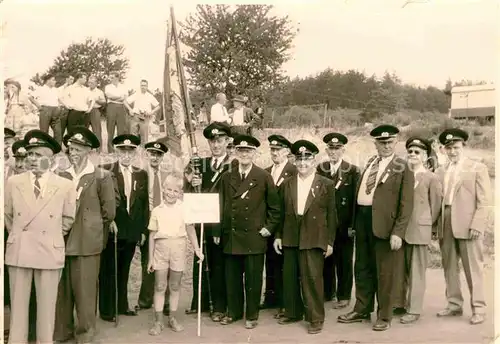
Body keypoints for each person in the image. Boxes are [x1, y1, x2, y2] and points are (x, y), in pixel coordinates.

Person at [337, 124, 414, 331]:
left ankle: (384, 315)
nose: (386, 146)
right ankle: (362, 308)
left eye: (389, 142)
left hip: (385, 226)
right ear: (376, 144)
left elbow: (406, 204)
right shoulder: (371, 162)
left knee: (385, 272)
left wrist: (398, 232)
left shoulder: (403, 166)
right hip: (362, 220)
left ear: (395, 143)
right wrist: (354, 223)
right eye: (381, 142)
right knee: (362, 267)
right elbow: (359, 195)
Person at [5, 130, 76, 344]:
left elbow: (67, 219)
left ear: (51, 158)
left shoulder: (65, 185)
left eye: (38, 155)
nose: (32, 160)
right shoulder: (14, 182)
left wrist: (50, 233)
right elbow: (8, 216)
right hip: (20, 251)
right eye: (30, 155)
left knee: (47, 311)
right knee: (18, 312)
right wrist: (21, 235)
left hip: (48, 251)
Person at [53, 127, 117, 343]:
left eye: (79, 149)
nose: (74, 153)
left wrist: (92, 229)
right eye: (71, 148)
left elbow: (109, 212)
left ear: (89, 150)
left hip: (86, 242)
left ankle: (85, 333)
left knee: (85, 291)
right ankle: (62, 331)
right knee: (63, 291)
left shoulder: (102, 176)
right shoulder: (61, 175)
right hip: (61, 240)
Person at [214, 134, 281, 329]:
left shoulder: (263, 176)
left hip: (254, 236)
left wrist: (268, 228)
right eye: (241, 150)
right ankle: (233, 312)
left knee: (252, 279)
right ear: (235, 152)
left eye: (248, 151)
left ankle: (252, 315)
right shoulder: (227, 176)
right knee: (232, 278)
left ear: (254, 154)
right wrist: (218, 230)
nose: (244, 154)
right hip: (232, 236)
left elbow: (275, 208)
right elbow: (220, 205)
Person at [273, 140, 337, 334]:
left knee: (312, 277)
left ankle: (315, 318)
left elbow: (332, 215)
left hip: (314, 236)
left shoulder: (326, 184)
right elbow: (282, 212)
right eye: (299, 159)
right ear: (294, 161)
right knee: (290, 276)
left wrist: (329, 241)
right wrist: (278, 236)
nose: (302, 163)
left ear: (314, 160)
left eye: (307, 159)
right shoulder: (287, 184)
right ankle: (293, 312)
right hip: (291, 234)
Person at [435, 128, 491, 325]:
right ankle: (454, 304)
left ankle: (479, 308)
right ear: (444, 150)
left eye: (456, 147)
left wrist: (478, 224)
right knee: (449, 266)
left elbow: (484, 201)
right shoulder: (441, 170)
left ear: (463, 146)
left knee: (472, 268)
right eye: (448, 148)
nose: (452, 152)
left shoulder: (477, 168)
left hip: (468, 223)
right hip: (446, 220)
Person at [185, 122, 233, 321]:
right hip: (201, 220)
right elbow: (188, 193)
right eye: (212, 141)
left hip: (221, 222)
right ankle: (201, 302)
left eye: (220, 141)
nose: (216, 145)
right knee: (201, 259)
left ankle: (219, 305)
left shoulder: (234, 165)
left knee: (220, 264)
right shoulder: (200, 164)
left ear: (227, 142)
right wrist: (190, 183)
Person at [99, 134, 149, 321]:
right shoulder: (104, 171)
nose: (126, 155)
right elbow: (102, 200)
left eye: (130, 151)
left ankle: (122, 306)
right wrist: (108, 220)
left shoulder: (141, 174)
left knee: (124, 269)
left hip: (131, 230)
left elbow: (143, 205)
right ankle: (107, 310)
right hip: (113, 228)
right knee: (109, 269)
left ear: (135, 153)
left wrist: (142, 230)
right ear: (116, 151)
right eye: (122, 151)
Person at [392, 137, 442, 324]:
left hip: (419, 230)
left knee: (416, 271)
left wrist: (430, 226)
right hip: (401, 230)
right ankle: (399, 303)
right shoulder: (402, 175)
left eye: (417, 152)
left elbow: (435, 206)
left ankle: (414, 309)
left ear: (425, 156)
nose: (413, 155)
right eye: (410, 152)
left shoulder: (431, 178)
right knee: (399, 269)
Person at [147, 173, 204, 335]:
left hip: (178, 248)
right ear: (163, 190)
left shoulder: (184, 209)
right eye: (168, 189)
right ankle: (158, 321)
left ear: (180, 193)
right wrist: (150, 259)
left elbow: (190, 229)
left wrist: (197, 249)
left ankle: (172, 317)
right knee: (159, 286)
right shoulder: (157, 210)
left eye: (176, 191)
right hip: (161, 249)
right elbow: (152, 235)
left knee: (174, 285)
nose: (171, 193)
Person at [316, 133, 360, 308]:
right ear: (326, 150)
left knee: (344, 261)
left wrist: (353, 225)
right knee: (326, 259)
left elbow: (355, 201)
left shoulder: (352, 170)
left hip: (344, 223)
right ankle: (328, 292)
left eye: (337, 149)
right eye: (331, 149)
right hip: (326, 223)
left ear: (343, 150)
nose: (333, 152)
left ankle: (344, 295)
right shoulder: (321, 168)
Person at [261, 134, 297, 318]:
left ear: (287, 152)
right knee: (270, 262)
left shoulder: (294, 171)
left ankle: (285, 303)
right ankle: (271, 298)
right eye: (272, 150)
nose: (274, 153)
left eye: (278, 150)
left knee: (284, 265)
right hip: (269, 224)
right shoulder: (266, 171)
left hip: (286, 224)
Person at [137, 141, 170, 314]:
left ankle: (166, 301)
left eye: (158, 155)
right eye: (152, 154)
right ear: (147, 155)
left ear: (162, 157)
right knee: (147, 260)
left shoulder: (167, 175)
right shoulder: (141, 174)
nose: (155, 157)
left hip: (164, 220)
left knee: (166, 259)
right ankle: (145, 300)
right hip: (147, 220)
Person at [125, 79, 160, 144]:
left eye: (144, 85)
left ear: (147, 86)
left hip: (145, 117)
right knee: (133, 134)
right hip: (135, 116)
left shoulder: (150, 96)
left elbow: (158, 106)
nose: (143, 87)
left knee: (144, 135)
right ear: (140, 86)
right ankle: (134, 151)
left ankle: (143, 151)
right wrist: (130, 110)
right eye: (142, 85)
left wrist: (151, 112)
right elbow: (125, 102)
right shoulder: (136, 94)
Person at [29, 74, 62, 144]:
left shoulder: (55, 90)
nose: (55, 81)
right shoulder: (41, 89)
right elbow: (31, 97)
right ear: (48, 81)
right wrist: (39, 106)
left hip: (55, 111)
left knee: (58, 131)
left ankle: (58, 148)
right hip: (45, 110)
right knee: (44, 131)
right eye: (53, 80)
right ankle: (44, 147)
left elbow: (59, 99)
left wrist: (60, 106)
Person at [104, 73, 129, 152]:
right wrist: (119, 97)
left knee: (121, 129)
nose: (112, 79)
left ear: (118, 78)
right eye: (111, 78)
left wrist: (116, 98)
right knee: (110, 128)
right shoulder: (108, 87)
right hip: (111, 107)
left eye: (114, 77)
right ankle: (110, 150)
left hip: (121, 107)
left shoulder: (123, 86)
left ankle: (120, 148)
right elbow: (109, 96)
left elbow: (124, 98)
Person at [87, 76, 106, 151]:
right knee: (85, 130)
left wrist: (97, 100)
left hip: (95, 110)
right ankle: (86, 149)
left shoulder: (99, 92)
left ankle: (99, 150)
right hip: (85, 111)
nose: (90, 84)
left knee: (97, 131)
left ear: (96, 83)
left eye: (92, 82)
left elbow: (104, 102)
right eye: (89, 82)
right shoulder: (85, 90)